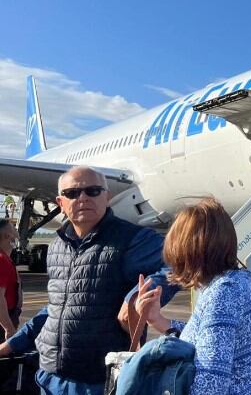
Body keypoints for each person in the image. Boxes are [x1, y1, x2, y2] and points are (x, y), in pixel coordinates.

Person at [0, 166, 177, 395]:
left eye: (92, 191)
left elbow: (177, 266)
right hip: (51, 378)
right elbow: (56, 307)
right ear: (60, 202)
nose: (82, 198)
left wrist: (135, 297)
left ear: (107, 196)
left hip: (99, 381)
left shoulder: (132, 239)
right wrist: (13, 344)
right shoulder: (57, 247)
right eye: (72, 193)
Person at [134, 198, 251, 395]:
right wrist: (159, 320)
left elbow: (211, 384)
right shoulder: (235, 281)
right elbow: (208, 340)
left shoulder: (222, 294)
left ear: (188, 250)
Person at [0, 219, 20, 343]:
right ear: (8, 235)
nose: (17, 231)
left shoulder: (6, 258)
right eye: (13, 228)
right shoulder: (2, 260)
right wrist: (8, 328)